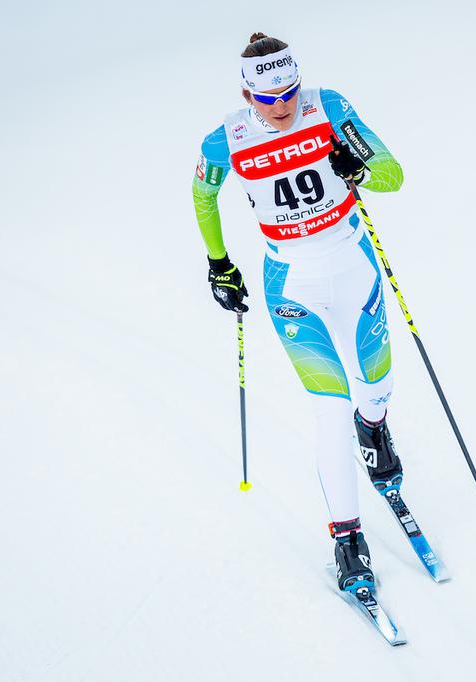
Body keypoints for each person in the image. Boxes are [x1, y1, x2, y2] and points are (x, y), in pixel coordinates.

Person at [191, 33, 406, 593]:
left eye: (288, 91)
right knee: (329, 408)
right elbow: (203, 195)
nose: (282, 106)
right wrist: (219, 263)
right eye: (268, 99)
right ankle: (347, 537)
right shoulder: (225, 141)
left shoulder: (329, 107)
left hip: (353, 264)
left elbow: (393, 175)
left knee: (375, 382)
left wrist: (356, 163)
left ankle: (375, 427)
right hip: (289, 281)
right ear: (246, 92)